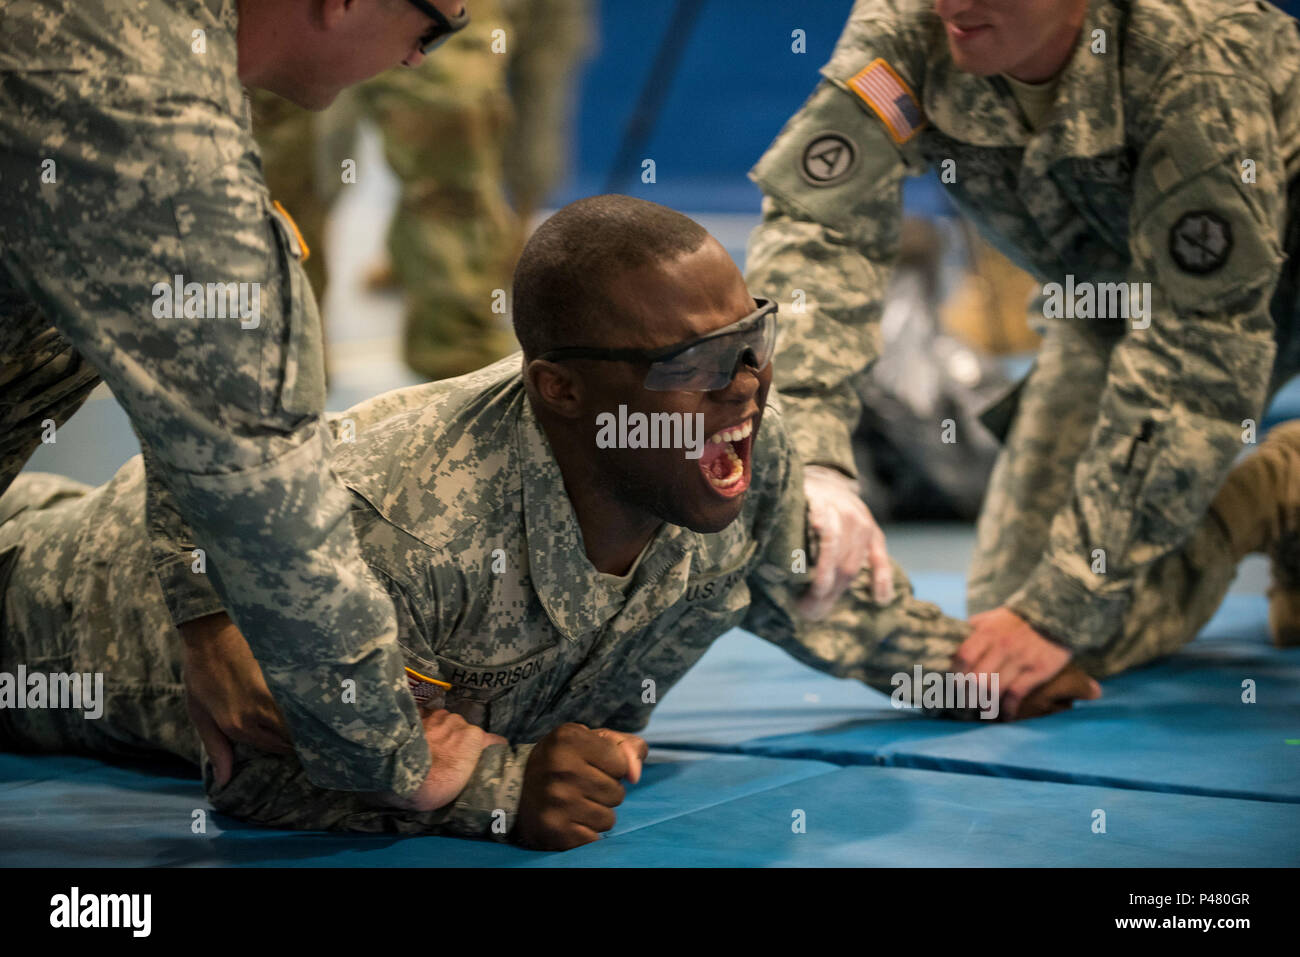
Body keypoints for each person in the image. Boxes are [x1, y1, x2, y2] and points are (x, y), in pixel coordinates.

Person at [0, 197, 1108, 850]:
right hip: (43, 617)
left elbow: (811, 594)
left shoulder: (729, 455)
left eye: (752, 339)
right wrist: (498, 793)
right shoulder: (399, 533)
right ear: (561, 391)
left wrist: (969, 672)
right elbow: (252, 768)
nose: (747, 384)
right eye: (690, 364)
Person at [744, 0, 1300, 715]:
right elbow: (823, 231)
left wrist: (1068, 602)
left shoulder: (1194, 54)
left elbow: (1203, 350)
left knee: (1066, 609)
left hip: (1226, 308)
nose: (951, 4)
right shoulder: (909, 30)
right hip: (1120, 303)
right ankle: (1270, 498)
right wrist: (815, 461)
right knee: (1024, 632)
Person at [0, 0, 483, 808]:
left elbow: (189, 369)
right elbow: (254, 465)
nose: (417, 60)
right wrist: (392, 757)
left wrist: (207, 612)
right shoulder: (138, 100)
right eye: (433, 27)